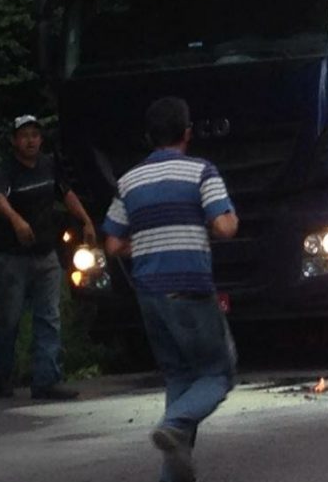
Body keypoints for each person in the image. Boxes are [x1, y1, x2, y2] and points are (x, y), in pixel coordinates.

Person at [103, 97, 239, 482]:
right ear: (188, 133)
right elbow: (225, 227)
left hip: (149, 293)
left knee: (180, 376)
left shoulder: (129, 181)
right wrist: (222, 219)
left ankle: (172, 476)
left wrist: (147, 242)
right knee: (218, 374)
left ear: (149, 137)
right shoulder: (201, 172)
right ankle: (175, 422)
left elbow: (112, 244)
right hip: (190, 286)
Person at [0, 114, 95, 400]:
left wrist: (85, 219)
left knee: (49, 316)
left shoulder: (48, 165)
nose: (30, 140)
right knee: (9, 319)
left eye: (35, 134)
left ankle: (47, 380)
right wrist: (16, 220)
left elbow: (66, 192)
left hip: (45, 253)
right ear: (14, 141)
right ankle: (2, 376)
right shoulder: (6, 171)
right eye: (24, 135)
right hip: (12, 257)